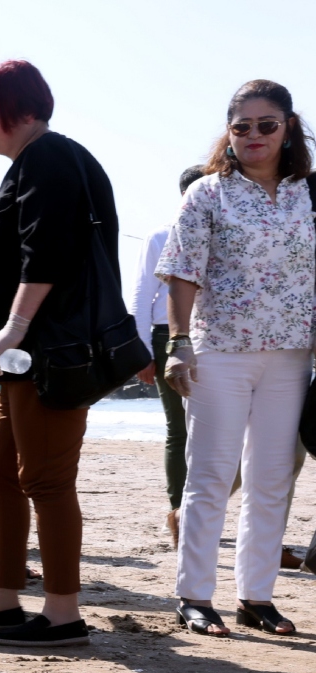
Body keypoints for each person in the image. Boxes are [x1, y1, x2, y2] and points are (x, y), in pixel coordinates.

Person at [0, 60, 114, 649]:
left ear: (25, 108)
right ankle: (0, 597)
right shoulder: (34, 163)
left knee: (46, 479)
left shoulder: (49, 157)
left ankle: (63, 613)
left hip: (47, 356)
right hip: (23, 363)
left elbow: (48, 253)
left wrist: (12, 329)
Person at [159, 79, 314, 637]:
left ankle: (257, 596)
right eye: (241, 126)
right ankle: (195, 595)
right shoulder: (207, 193)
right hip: (219, 352)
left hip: (293, 355)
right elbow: (181, 273)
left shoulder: (310, 193)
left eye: (265, 125)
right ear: (228, 133)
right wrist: (179, 344)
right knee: (211, 473)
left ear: (288, 127)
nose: (253, 135)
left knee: (273, 478)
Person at [133, 165, 207, 549]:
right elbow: (143, 296)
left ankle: (197, 511)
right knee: (179, 431)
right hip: (167, 338)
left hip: (214, 338)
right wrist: (143, 352)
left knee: (213, 433)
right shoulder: (161, 234)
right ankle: (179, 511)